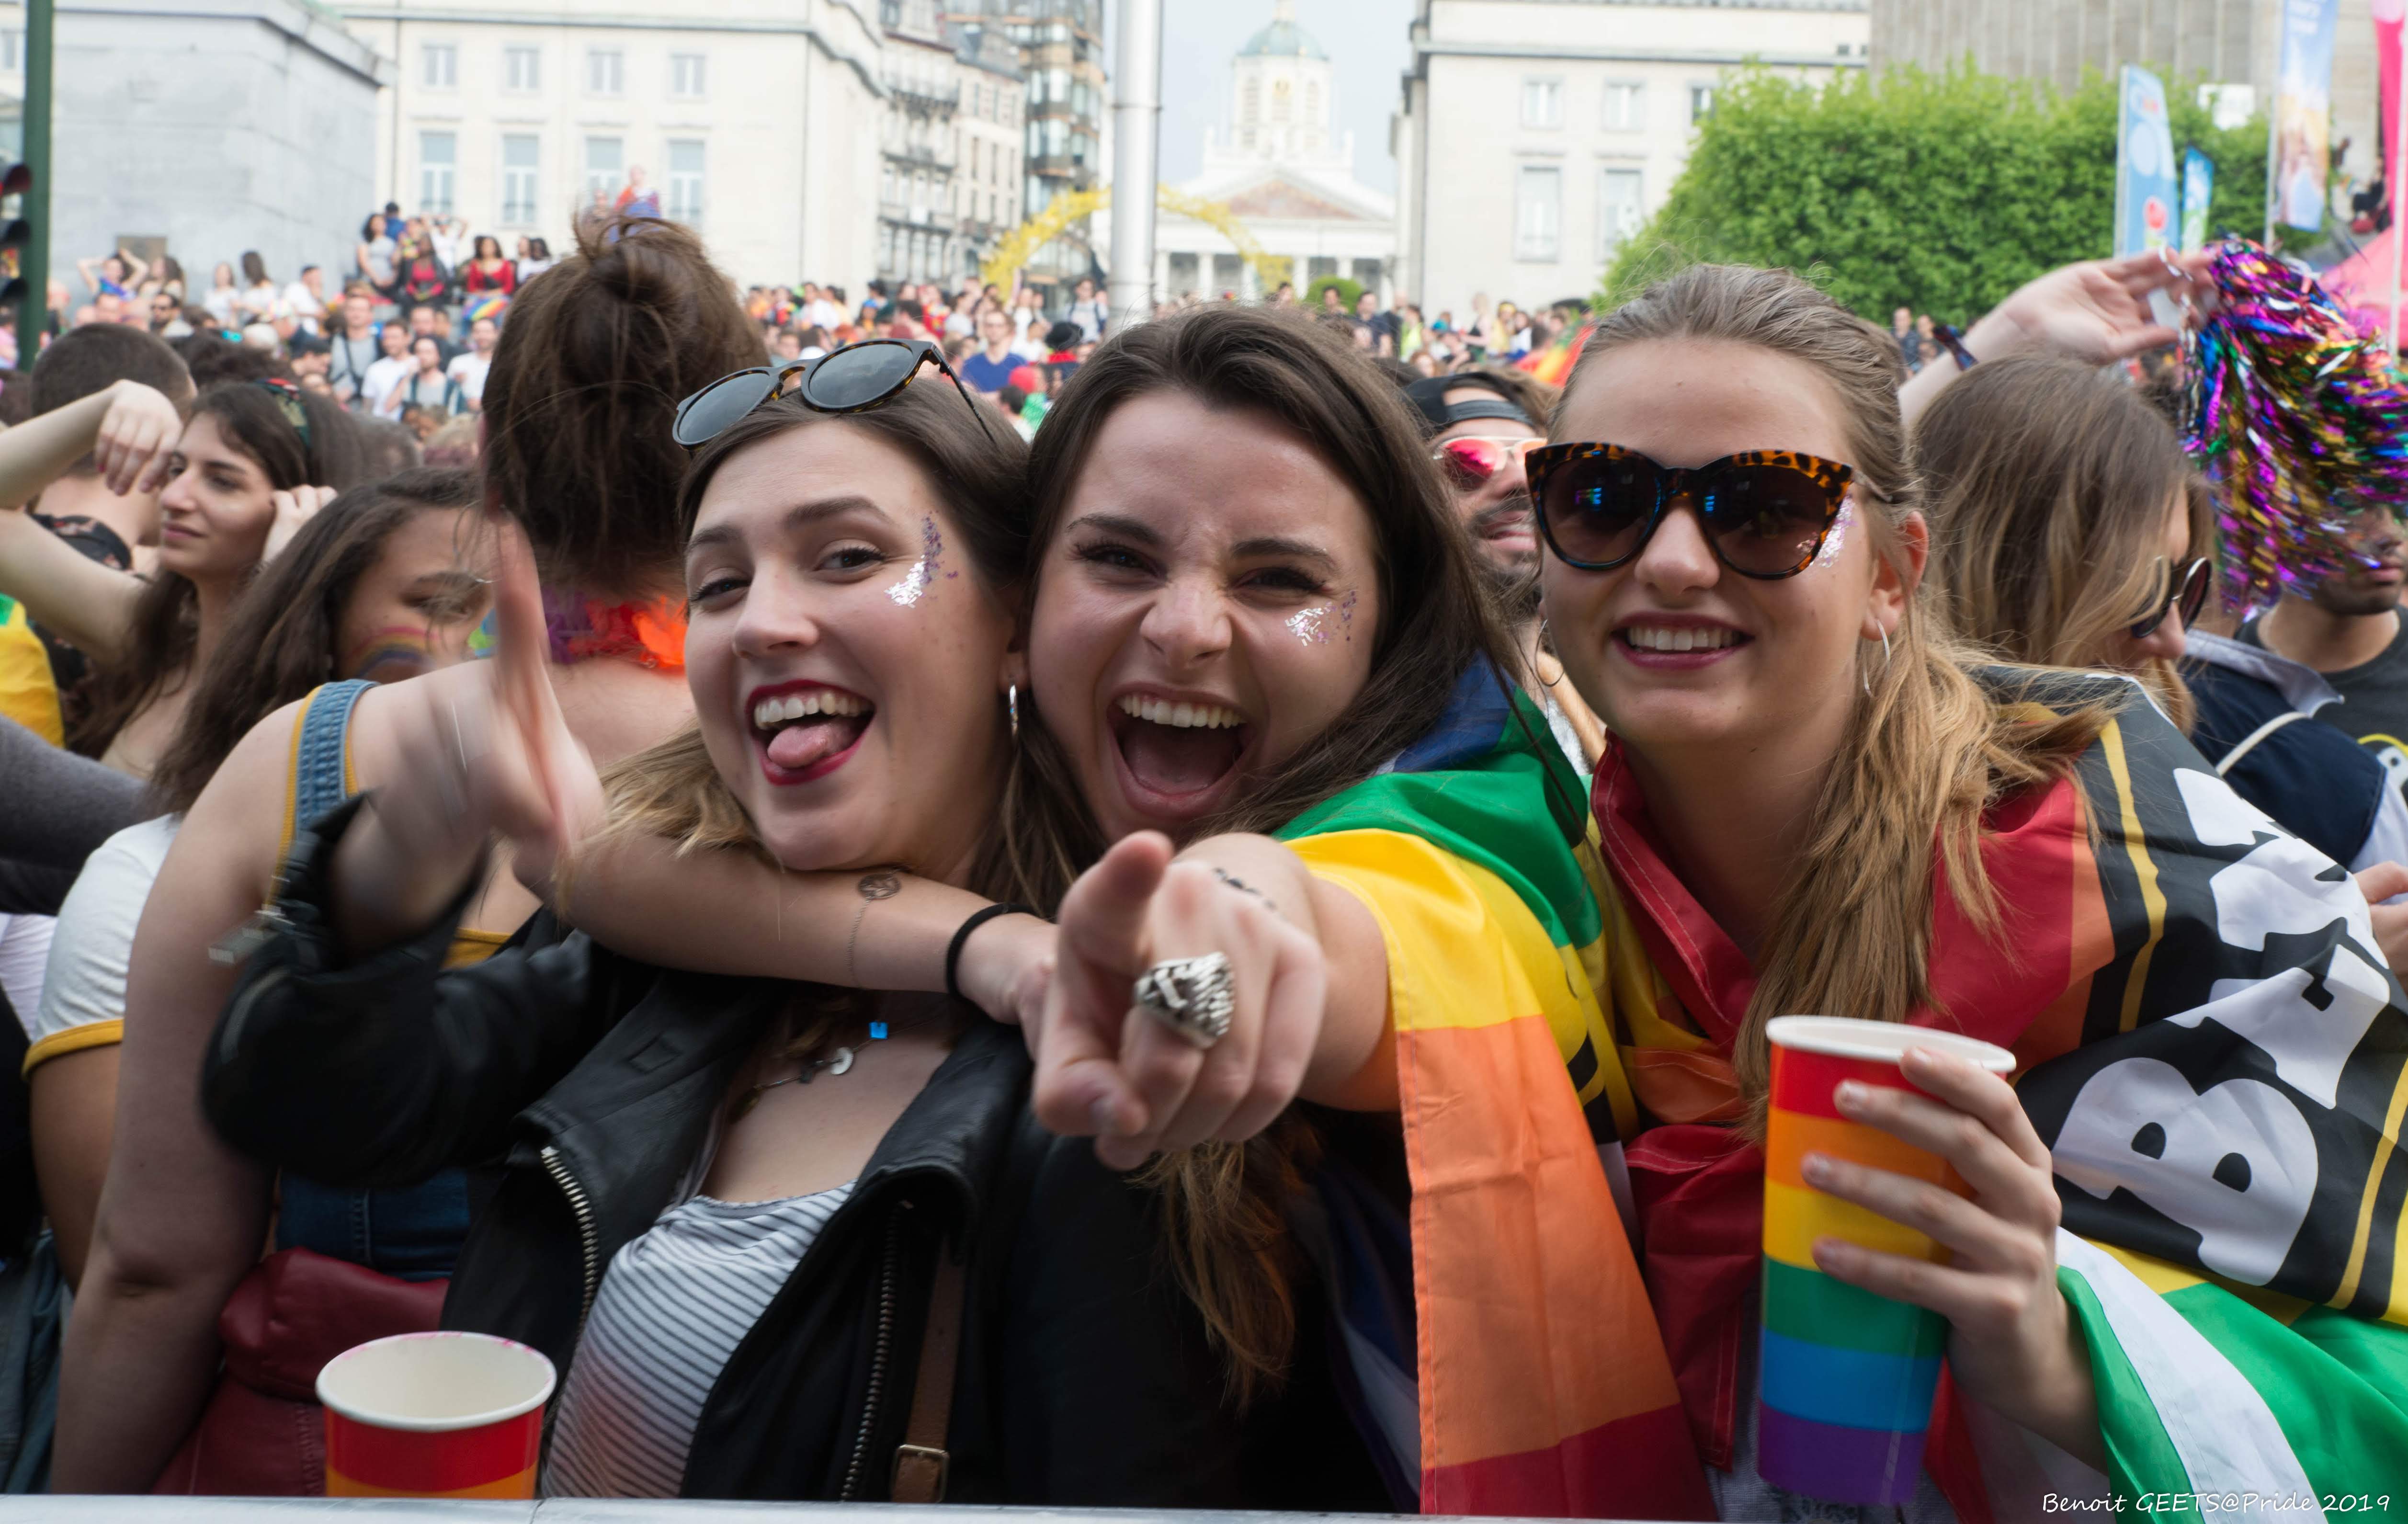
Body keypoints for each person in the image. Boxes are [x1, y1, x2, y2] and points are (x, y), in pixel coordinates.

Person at [58, 214, 760, 1494]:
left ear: (488, 470)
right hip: (682, 1462)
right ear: (743, 461)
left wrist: (77, 1506)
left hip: (345, 1460)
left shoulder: (301, 757)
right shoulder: (812, 773)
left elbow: (157, 1263)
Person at [28, 467, 492, 1290]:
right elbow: (122, 1263)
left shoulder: (577, 875)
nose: (489, 650)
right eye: (443, 605)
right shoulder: (147, 878)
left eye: (522, 616)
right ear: (320, 627)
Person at [1922, 351, 2408, 880]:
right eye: (2141, 594)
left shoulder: (2281, 766)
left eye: (2185, 584)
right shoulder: (1868, 789)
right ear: (2002, 586)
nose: (2175, 641)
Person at [1402, 366, 1602, 770]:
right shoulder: (1381, 736)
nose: (1521, 480)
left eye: (1536, 459)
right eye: (1469, 461)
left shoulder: (1600, 698)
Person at [2241, 499, 2408, 796]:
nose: (2390, 536)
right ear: (2275, 517)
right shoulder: (2214, 683)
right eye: (2350, 508)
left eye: (2401, 505)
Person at [324, 291, 381, 409]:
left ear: (370, 314)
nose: (356, 314)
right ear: (345, 313)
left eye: (361, 310)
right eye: (352, 309)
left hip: (368, 408)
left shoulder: (380, 345)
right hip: (335, 407)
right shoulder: (331, 342)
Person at [379, 336, 458, 421]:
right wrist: (408, 376)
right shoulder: (410, 381)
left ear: (439, 355)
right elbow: (388, 408)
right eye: (419, 352)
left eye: (428, 352)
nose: (423, 356)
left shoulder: (451, 386)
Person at [358, 319, 413, 418]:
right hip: (380, 424)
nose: (389, 343)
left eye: (394, 338)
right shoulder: (375, 369)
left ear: (408, 338)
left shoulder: (419, 364)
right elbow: (367, 406)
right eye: (386, 338)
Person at [959, 306, 1019, 393]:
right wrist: (996, 397)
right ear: (984, 328)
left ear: (1007, 329)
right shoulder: (971, 363)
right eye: (990, 326)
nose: (994, 330)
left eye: (999, 326)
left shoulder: (1018, 363)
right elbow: (966, 393)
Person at [444, 316, 498, 411]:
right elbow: (447, 393)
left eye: (487, 332)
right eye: (477, 332)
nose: (482, 336)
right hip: (461, 415)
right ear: (472, 334)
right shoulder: (458, 362)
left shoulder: (502, 366)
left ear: (496, 334)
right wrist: (455, 382)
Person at [356, 214, 399, 303]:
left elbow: (395, 264)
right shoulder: (366, 243)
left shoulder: (392, 244)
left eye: (380, 223)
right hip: (369, 281)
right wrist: (377, 280)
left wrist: (392, 279)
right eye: (375, 223)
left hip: (388, 283)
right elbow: (363, 262)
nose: (378, 225)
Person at [462, 235, 517, 304]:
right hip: (478, 297)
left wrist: (491, 294)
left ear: (496, 247)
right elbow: (471, 287)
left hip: (499, 297)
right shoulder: (475, 264)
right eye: (485, 245)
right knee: (470, 303)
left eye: (490, 246)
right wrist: (482, 294)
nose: (487, 248)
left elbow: (509, 287)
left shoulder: (505, 264)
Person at [279, 265, 327, 336]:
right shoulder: (295, 287)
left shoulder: (313, 294)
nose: (318, 280)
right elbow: (288, 309)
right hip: (298, 332)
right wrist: (313, 314)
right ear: (306, 276)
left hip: (313, 334)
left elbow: (322, 316)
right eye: (315, 276)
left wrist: (319, 298)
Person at [235, 253, 281, 326]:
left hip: (263, 325)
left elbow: (271, 312)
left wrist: (244, 306)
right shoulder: (248, 287)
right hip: (247, 325)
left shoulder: (268, 288)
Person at [199, 264, 241, 331]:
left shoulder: (233, 293)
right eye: (219, 273)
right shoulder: (209, 293)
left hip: (224, 329)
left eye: (224, 273)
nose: (221, 276)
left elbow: (234, 319)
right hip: (207, 328)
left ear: (230, 276)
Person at [1067, 276, 1106, 343]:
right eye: (1083, 289)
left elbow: (1105, 329)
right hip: (1074, 345)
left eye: (1088, 289)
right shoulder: (1070, 308)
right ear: (1077, 289)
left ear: (1092, 291)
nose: (1085, 292)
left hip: (1093, 344)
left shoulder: (1100, 308)